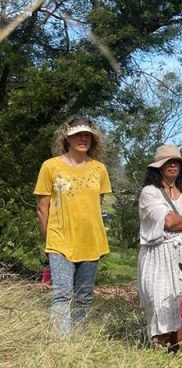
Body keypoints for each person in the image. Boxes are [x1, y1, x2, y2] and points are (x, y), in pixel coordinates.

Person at [33, 115, 111, 335]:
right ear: (66, 138)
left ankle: (79, 342)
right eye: (78, 134)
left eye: (87, 135)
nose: (83, 138)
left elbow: (97, 205)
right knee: (62, 294)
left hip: (91, 241)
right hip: (60, 240)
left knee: (84, 297)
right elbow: (42, 208)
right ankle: (61, 343)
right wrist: (49, 238)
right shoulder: (50, 166)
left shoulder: (99, 169)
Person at [138, 144, 182, 349]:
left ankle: (179, 353)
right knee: (159, 303)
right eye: (167, 161)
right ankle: (157, 353)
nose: (172, 164)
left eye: (176, 161)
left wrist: (179, 221)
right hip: (157, 256)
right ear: (157, 166)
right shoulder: (150, 192)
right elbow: (167, 222)